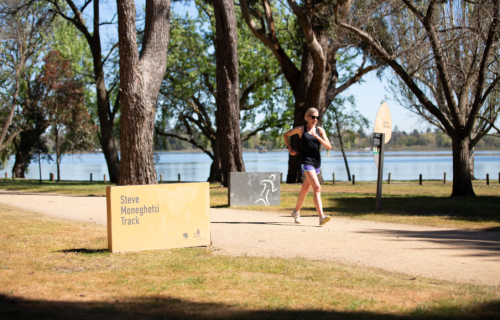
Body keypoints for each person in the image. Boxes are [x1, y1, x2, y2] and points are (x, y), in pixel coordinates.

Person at [283, 108, 332, 226]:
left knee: (305, 188)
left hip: (316, 163)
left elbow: (329, 146)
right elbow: (286, 134)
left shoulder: (320, 130)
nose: (315, 119)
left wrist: (318, 137)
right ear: (307, 117)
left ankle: (296, 212)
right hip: (306, 162)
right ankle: (321, 217)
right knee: (317, 187)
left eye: (317, 117)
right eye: (313, 117)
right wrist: (289, 148)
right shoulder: (301, 129)